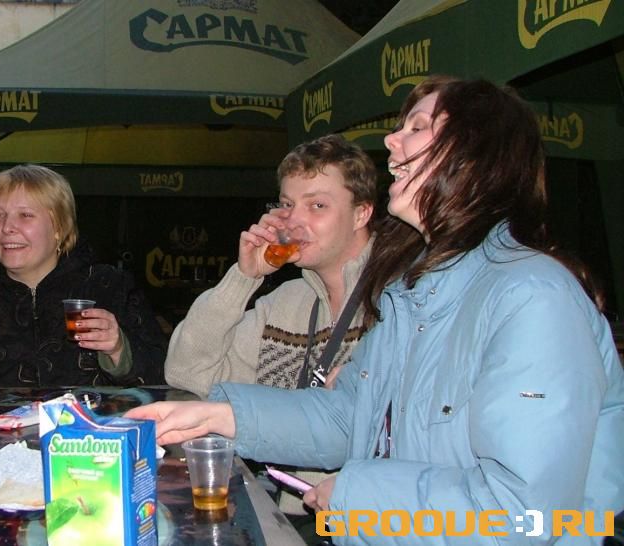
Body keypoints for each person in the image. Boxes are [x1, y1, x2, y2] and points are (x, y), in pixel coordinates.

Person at [127, 77, 624, 544]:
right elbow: (350, 418)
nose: (391, 140)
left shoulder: (532, 297)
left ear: (475, 155)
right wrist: (219, 415)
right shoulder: (416, 295)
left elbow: (523, 513)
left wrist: (355, 496)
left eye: (418, 127)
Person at [165, 134, 376, 397]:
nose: (294, 219)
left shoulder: (397, 300)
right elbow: (185, 373)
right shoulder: (282, 305)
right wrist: (243, 277)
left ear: (361, 214)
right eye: (287, 204)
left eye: (317, 205)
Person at [0, 164, 167, 387]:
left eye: (25, 215)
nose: (6, 227)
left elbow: (162, 377)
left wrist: (119, 350)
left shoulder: (110, 288)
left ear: (59, 228)